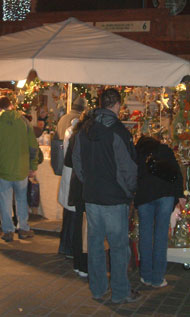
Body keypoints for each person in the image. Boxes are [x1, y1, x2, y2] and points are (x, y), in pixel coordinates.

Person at [72, 88, 140, 304]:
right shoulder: (119, 131)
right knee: (119, 247)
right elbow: (128, 167)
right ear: (117, 105)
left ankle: (98, 289)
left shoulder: (85, 129)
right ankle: (120, 291)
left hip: (92, 196)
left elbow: (77, 162)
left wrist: (89, 183)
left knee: (94, 245)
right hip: (114, 197)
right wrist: (129, 191)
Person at [0, 95, 39, 242]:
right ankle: (24, 228)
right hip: (21, 169)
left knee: (4, 201)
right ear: (11, 106)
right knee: (22, 200)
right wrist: (33, 166)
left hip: (2, 170)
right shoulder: (24, 122)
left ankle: (8, 231)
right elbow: (33, 146)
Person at [134, 135, 185, 288]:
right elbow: (176, 173)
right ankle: (158, 278)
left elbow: (132, 175)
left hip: (144, 197)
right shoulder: (165, 150)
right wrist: (179, 195)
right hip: (165, 195)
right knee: (161, 236)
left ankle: (146, 275)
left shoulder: (137, 154)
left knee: (146, 236)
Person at [57, 97, 85, 258]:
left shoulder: (69, 130)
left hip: (69, 174)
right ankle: (68, 248)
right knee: (73, 216)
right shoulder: (77, 135)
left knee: (68, 215)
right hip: (73, 177)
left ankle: (65, 246)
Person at [64, 111, 90, 278]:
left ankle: (77, 263)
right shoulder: (88, 137)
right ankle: (84, 265)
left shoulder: (75, 135)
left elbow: (67, 161)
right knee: (85, 227)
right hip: (86, 186)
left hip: (77, 184)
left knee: (78, 223)